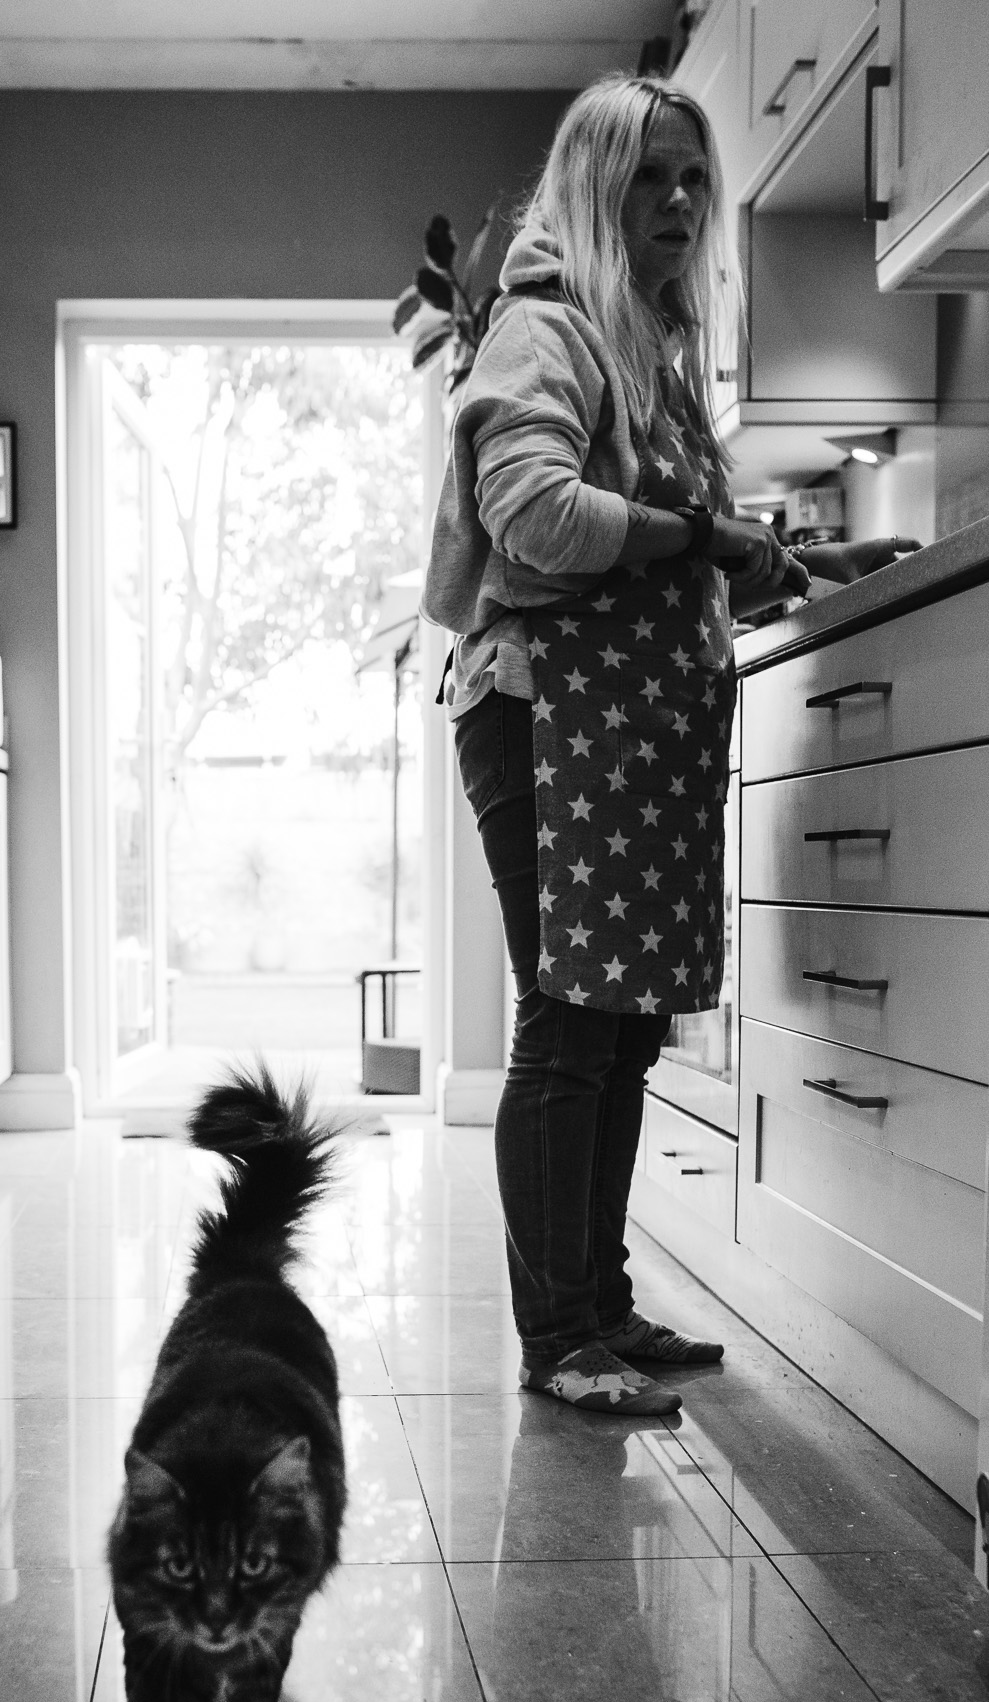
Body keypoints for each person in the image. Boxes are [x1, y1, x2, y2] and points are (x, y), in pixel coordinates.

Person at [423, 74, 915, 1417]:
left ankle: (598, 1307)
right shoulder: (544, 329)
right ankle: (554, 1337)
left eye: (694, 178)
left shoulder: (643, 342)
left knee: (620, 1029)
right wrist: (707, 537)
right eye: (649, 177)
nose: (680, 202)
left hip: (625, 724)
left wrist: (804, 561)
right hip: (545, 712)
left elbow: (669, 561)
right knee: (571, 1026)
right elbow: (536, 522)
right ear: (590, 190)